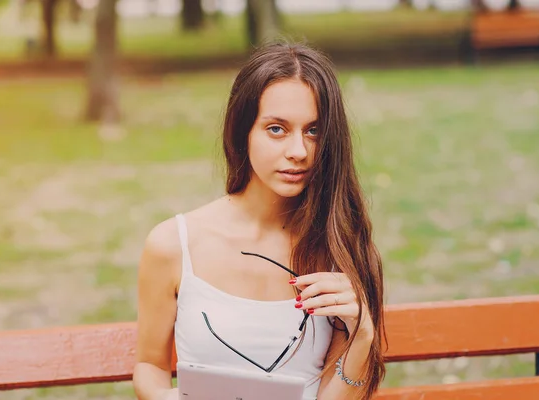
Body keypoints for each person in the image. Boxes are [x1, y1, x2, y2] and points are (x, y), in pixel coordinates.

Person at [132, 42, 386, 400]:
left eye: (313, 131)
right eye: (276, 129)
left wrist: (361, 334)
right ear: (243, 131)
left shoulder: (339, 247)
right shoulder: (174, 245)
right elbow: (150, 367)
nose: (298, 151)